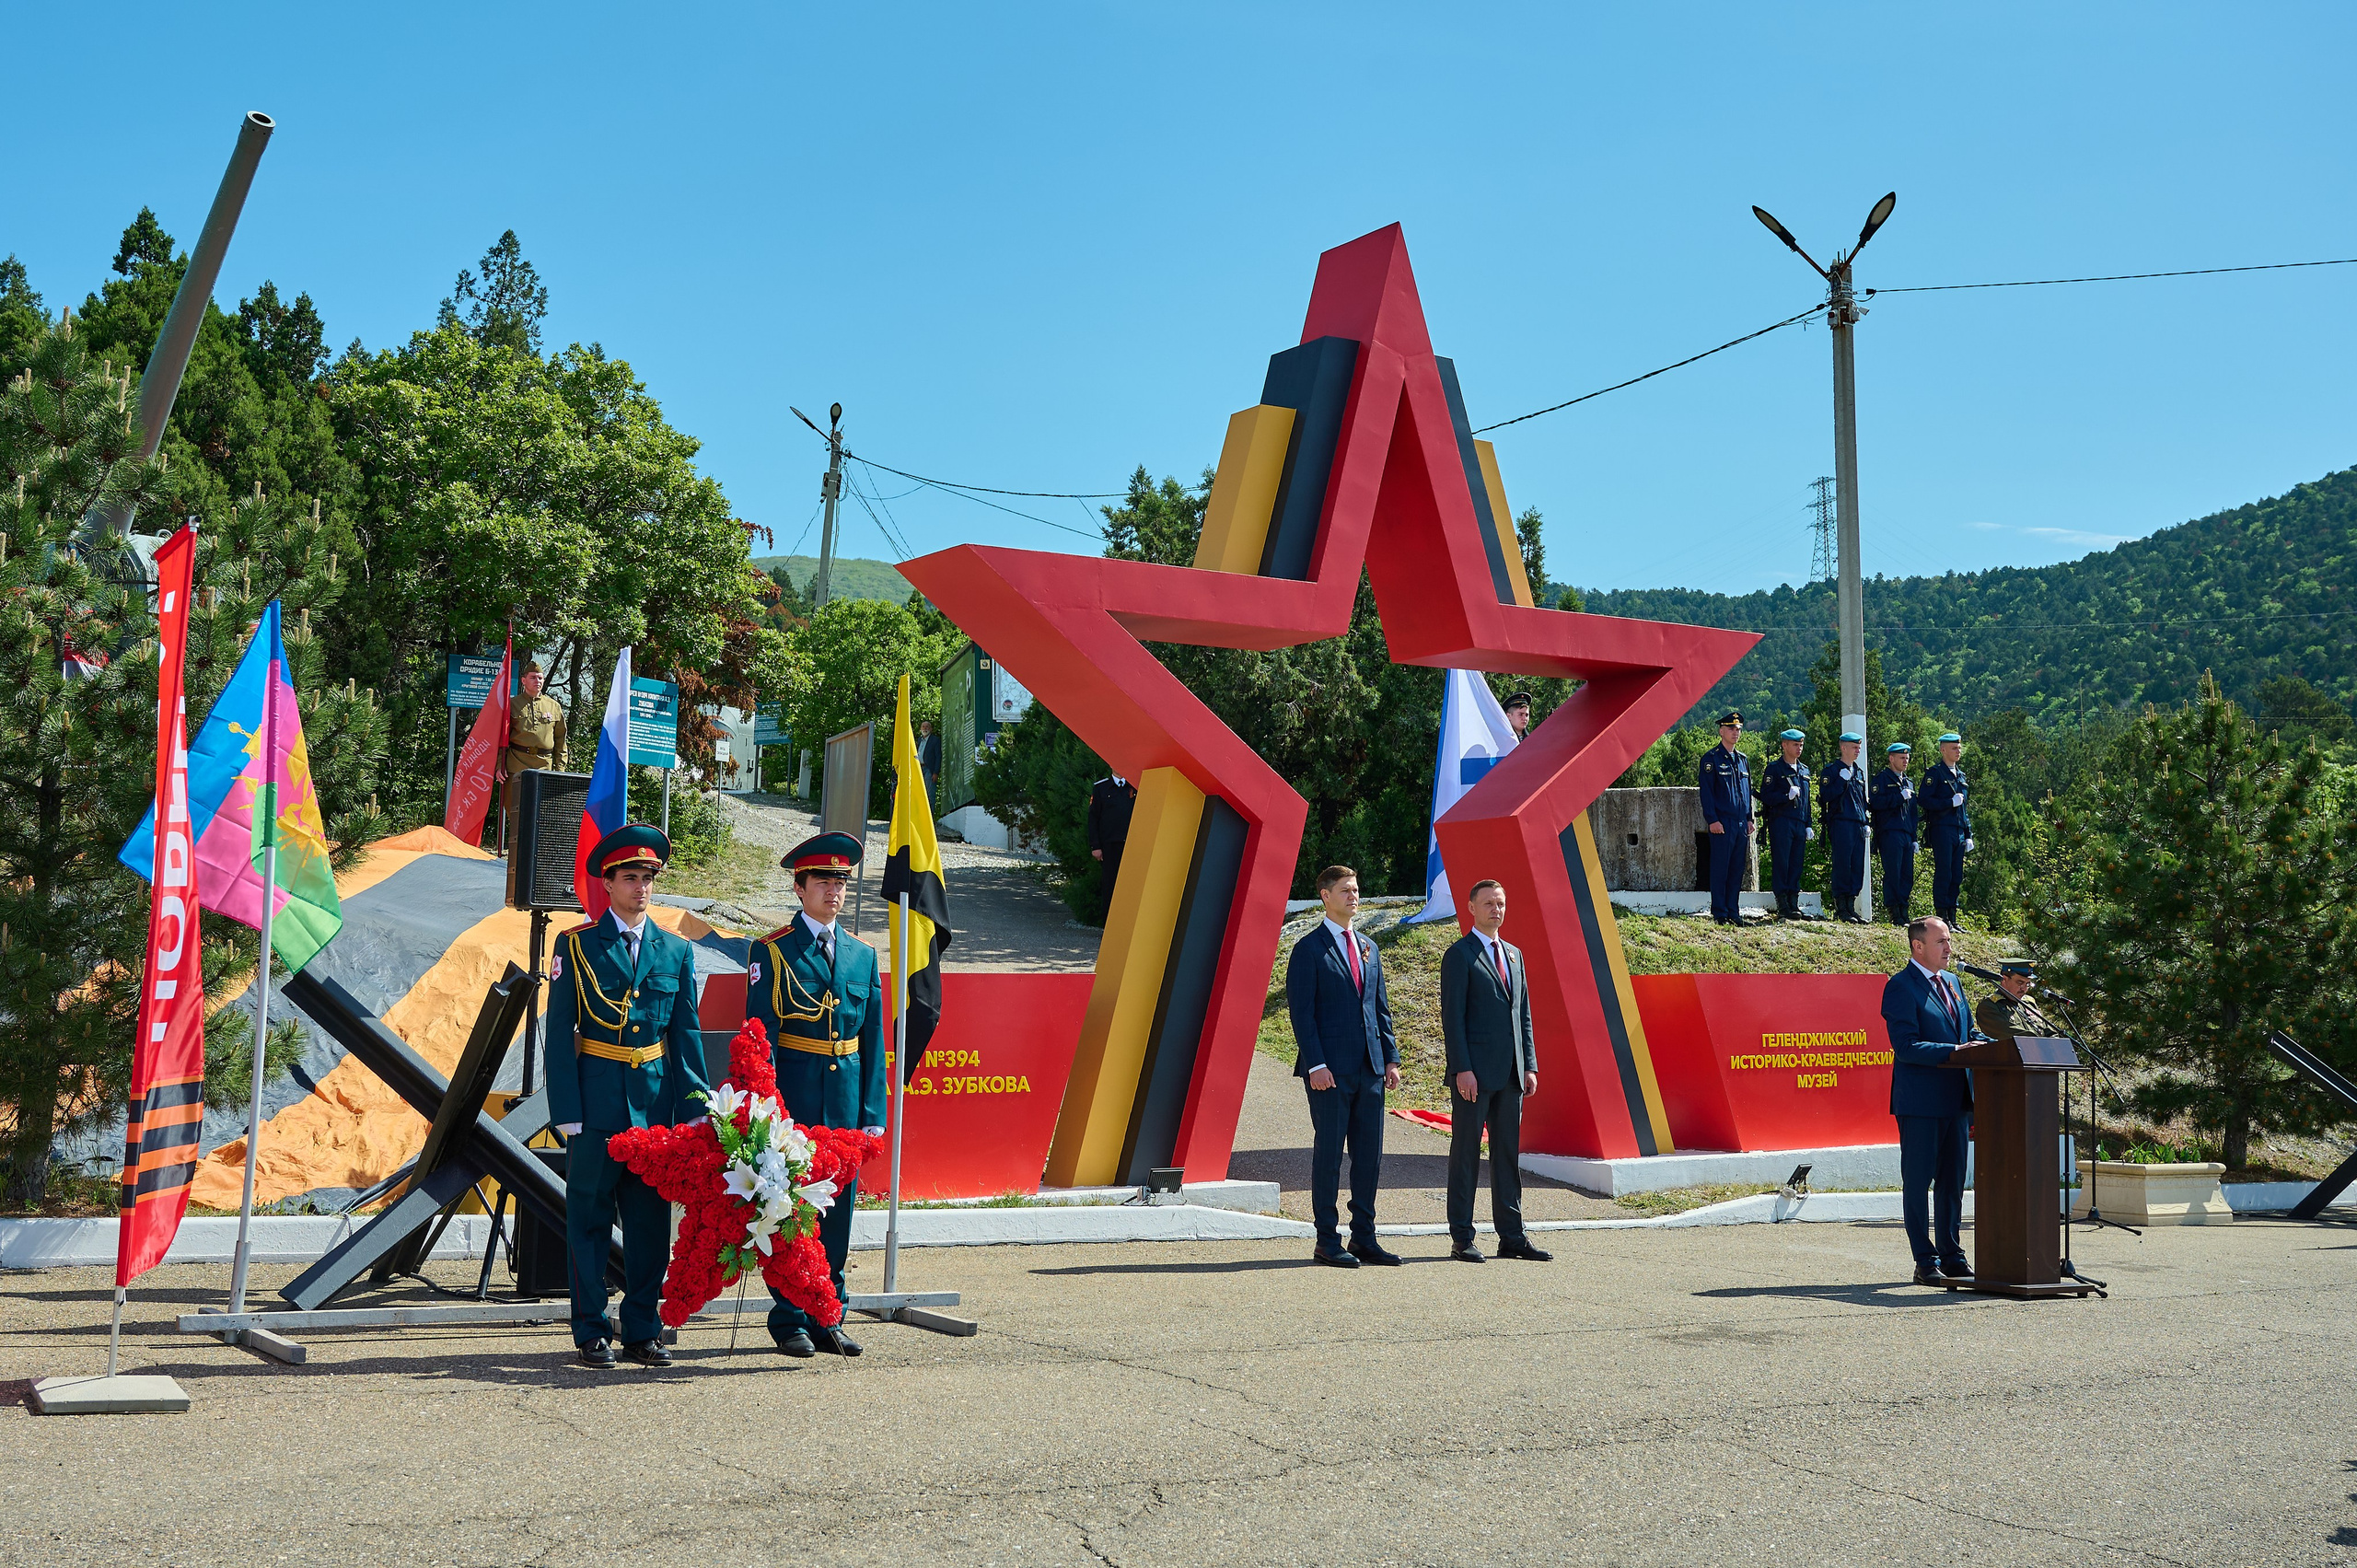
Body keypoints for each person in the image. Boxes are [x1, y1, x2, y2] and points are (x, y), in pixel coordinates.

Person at [544, 822, 713, 1368]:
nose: (641, 888)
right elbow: (559, 1032)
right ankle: (591, 1330)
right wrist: (566, 1109)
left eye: (648, 878)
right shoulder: (577, 946)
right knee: (589, 1220)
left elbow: (685, 1034)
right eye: (631, 878)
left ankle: (642, 1328)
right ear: (608, 883)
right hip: (596, 1106)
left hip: (655, 1109)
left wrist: (695, 1110)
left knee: (648, 1227)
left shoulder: (676, 951)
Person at [746, 830, 885, 1357]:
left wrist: (872, 1110)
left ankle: (830, 1315)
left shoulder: (861, 955)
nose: (834, 891)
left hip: (845, 1102)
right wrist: (765, 1110)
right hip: (795, 1101)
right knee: (788, 1211)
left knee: (838, 1213)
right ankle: (789, 1320)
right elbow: (760, 1037)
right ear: (799, 888)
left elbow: (872, 1039)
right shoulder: (773, 951)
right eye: (823, 881)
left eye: (841, 881)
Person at [1284, 865, 1400, 1267]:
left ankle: (1364, 1238)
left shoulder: (1369, 946)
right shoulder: (1309, 949)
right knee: (1330, 1155)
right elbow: (1302, 1014)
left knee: (1369, 1157)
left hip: (1370, 1069)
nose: (1354, 896)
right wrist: (1316, 1064)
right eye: (1345, 890)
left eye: (1356, 889)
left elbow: (1379, 1007)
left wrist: (1390, 1058)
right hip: (1329, 1073)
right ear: (1325, 896)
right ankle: (1327, 1240)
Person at [1439, 879, 1549, 1264]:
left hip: (1512, 1076)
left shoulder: (1514, 955)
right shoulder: (1459, 955)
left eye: (1500, 903)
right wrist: (1462, 1069)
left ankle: (1512, 1237)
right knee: (1466, 1155)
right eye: (1488, 903)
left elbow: (1524, 1015)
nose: (1495, 910)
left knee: (1506, 1156)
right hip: (1473, 1077)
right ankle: (1462, 1237)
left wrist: (1529, 1064)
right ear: (1471, 908)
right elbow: (1453, 1019)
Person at [1882, 915, 1987, 1285]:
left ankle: (1952, 1256)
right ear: (1918, 946)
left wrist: (1992, 1045)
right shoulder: (1900, 987)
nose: (1949, 948)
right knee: (1918, 1183)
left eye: (1949, 941)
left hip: (1956, 1101)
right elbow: (1906, 1046)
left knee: (1952, 1183)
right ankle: (1925, 1261)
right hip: (1921, 1103)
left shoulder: (1953, 983)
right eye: (1941, 941)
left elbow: (1968, 1031)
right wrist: (1955, 1051)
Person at [1697, 711, 1754, 926]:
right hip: (1722, 822)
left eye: (1738, 729)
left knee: (1737, 869)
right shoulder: (1711, 759)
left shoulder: (1742, 760)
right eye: (1731, 728)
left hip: (1740, 823)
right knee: (1720, 868)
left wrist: (1749, 818)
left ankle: (1733, 911)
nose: (1735, 732)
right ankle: (1720, 912)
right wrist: (1712, 819)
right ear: (1721, 731)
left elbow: (1746, 792)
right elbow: (1707, 793)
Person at [1759, 728, 1817, 921]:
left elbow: (1807, 800)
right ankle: (1782, 903)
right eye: (1795, 744)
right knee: (1782, 862)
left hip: (1799, 822)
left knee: (1796, 864)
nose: (1799, 748)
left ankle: (1794, 902)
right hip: (1781, 821)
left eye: (1801, 745)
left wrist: (1808, 823)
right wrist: (1786, 796)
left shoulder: (1804, 770)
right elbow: (1766, 796)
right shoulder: (1775, 769)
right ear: (1784, 745)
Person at [500, 660, 568, 820]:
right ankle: (516, 839)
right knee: (515, 812)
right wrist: (499, 766)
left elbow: (560, 741)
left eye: (540, 678)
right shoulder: (512, 705)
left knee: (541, 814)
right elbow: (500, 739)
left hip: (544, 767)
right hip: (516, 765)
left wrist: (559, 770)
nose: (537, 681)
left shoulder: (553, 706)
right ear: (523, 680)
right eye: (533, 678)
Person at [1922, 732, 1974, 931]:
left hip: (1958, 830)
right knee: (1944, 872)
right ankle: (1942, 916)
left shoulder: (1961, 776)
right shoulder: (1935, 774)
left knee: (1956, 875)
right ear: (1943, 750)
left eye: (1959, 747)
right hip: (1942, 829)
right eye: (1954, 748)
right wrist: (1948, 803)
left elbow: (1964, 809)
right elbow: (1924, 800)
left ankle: (1952, 916)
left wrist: (1968, 834)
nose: (1958, 751)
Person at [1818, 731, 1871, 923]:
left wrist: (1866, 821)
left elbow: (1862, 800)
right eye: (1854, 747)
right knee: (1843, 865)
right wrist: (1841, 780)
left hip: (1858, 824)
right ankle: (1841, 908)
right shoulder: (1832, 771)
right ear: (1843, 748)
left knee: (1857, 866)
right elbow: (1825, 796)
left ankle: (1851, 906)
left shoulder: (1859, 772)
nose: (1858, 751)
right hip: (1841, 823)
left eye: (1859, 747)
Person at [1869, 741, 1920, 925]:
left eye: (1907, 758)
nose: (1905, 761)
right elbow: (1876, 803)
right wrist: (1898, 797)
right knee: (1893, 873)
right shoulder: (1882, 779)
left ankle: (1904, 910)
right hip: (1890, 832)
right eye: (1901, 757)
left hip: (1906, 833)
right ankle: (1894, 912)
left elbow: (1913, 814)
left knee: (1907, 875)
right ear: (1891, 759)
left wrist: (1914, 838)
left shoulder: (1908, 782)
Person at [1086, 773, 1138, 923]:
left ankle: (1127, 923)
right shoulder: (1101, 788)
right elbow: (1093, 819)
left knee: (1131, 885)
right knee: (1110, 885)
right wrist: (1096, 846)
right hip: (1109, 846)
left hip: (1132, 846)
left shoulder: (1135, 786)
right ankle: (1109, 924)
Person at [1973, 958, 2052, 1045]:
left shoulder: (2029, 1003)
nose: (2024, 989)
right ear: (2004, 979)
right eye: (2020, 983)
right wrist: (2045, 1043)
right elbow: (2016, 1038)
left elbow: (2048, 1030)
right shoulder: (1989, 1007)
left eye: (2027, 984)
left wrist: (2056, 1041)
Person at [917, 718, 943, 808]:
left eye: (927, 727)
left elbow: (938, 756)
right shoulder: (919, 740)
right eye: (923, 727)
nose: (925, 728)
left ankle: (930, 815)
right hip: (919, 769)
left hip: (929, 770)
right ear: (920, 729)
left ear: (931, 729)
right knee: (919, 794)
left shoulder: (935, 740)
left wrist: (936, 772)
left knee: (929, 794)